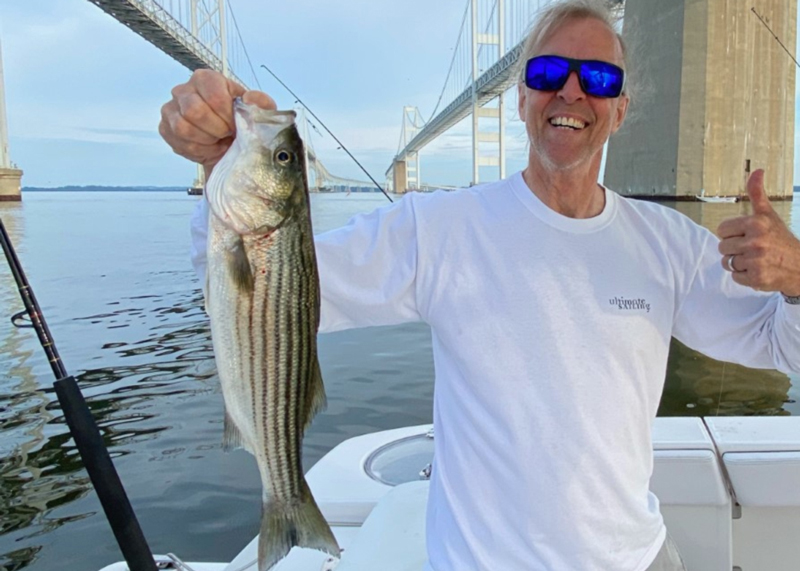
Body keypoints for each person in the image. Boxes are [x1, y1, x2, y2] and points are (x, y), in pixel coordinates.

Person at [159, 0, 800, 569]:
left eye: (598, 79)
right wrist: (222, 163)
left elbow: (780, 348)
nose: (572, 93)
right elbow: (273, 287)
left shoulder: (669, 243)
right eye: (548, 74)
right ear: (521, 98)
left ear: (620, 109)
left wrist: (797, 278)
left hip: (635, 556)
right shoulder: (439, 228)